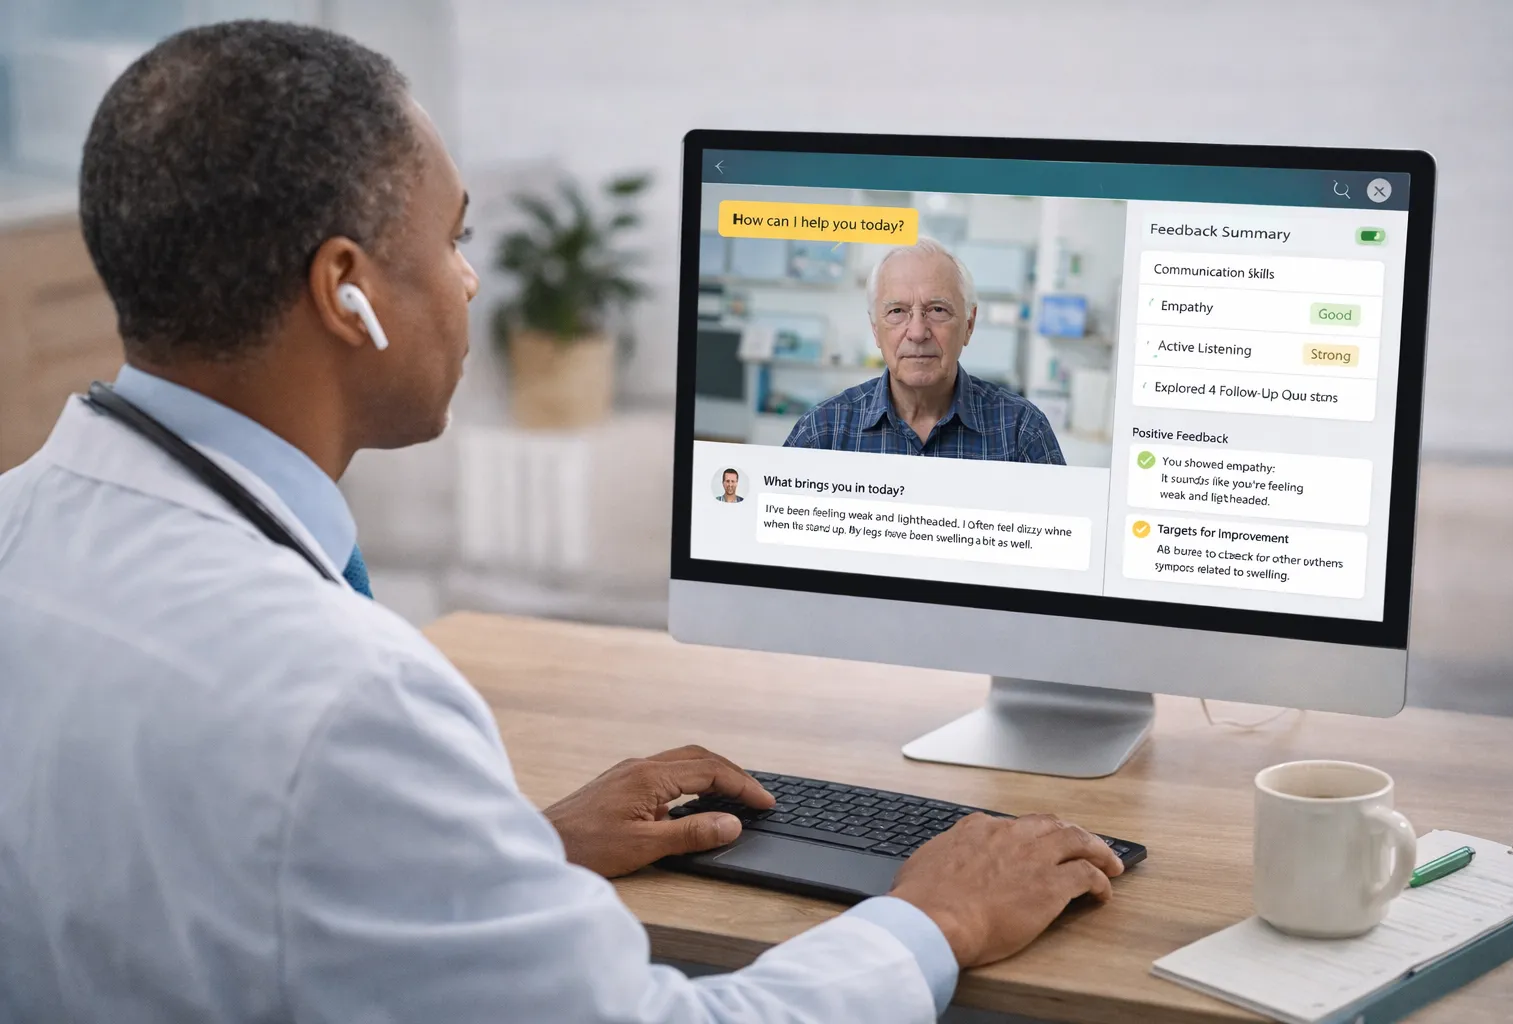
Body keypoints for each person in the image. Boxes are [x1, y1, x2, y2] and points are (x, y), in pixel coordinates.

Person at [0, 21, 1123, 1024]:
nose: (473, 282)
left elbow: (226, 886)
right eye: (452, 240)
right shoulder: (352, 699)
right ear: (347, 291)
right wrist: (936, 917)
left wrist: (504, 859)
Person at [784, 238, 1066, 464]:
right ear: (875, 328)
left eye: (937, 310)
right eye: (897, 311)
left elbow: (1062, 533)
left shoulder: (1022, 431)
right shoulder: (822, 432)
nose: (918, 332)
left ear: (969, 324)